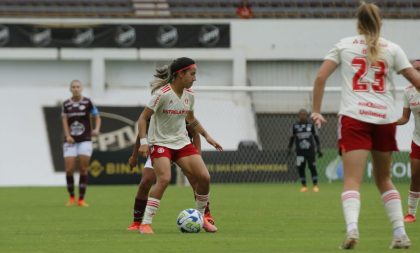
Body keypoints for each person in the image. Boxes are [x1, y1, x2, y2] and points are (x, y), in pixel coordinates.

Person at [312, 2, 420, 249]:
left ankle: (352, 230)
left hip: (355, 118)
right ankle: (400, 233)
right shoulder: (392, 48)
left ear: (358, 23)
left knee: (352, 180)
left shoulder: (345, 45)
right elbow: (415, 79)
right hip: (384, 119)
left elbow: (320, 77)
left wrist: (316, 111)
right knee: (385, 179)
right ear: (380, 23)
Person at [137, 57, 223, 234]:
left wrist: (207, 136)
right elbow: (143, 118)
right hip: (160, 143)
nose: (195, 78)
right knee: (165, 179)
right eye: (192, 74)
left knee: (204, 177)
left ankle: (200, 218)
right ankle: (145, 223)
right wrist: (144, 142)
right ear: (180, 74)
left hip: (181, 142)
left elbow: (191, 120)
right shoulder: (161, 94)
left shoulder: (189, 95)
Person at [126, 125, 216, 231]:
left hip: (181, 148)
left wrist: (197, 156)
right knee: (146, 181)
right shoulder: (155, 111)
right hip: (161, 147)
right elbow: (141, 132)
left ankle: (205, 215)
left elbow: (195, 134)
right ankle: (138, 221)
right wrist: (134, 156)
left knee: (196, 179)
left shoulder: (182, 111)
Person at [61, 80, 101, 207]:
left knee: (83, 169)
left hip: (85, 139)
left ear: (82, 88)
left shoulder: (88, 102)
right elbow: (64, 120)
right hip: (70, 141)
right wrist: (67, 135)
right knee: (69, 169)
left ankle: (81, 199)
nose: (76, 89)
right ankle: (72, 197)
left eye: (78, 86)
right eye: (73, 87)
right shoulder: (66, 104)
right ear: (70, 89)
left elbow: (97, 116)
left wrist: (96, 129)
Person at [396, 60, 420, 223]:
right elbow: (405, 118)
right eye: (413, 69)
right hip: (418, 140)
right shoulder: (408, 92)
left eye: (418, 69)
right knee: (416, 176)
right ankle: (411, 213)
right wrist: (388, 122)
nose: (415, 72)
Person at [288, 109, 322, 193]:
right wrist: (289, 148)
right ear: (298, 116)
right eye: (301, 114)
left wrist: (319, 148)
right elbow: (292, 138)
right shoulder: (295, 126)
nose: (303, 116)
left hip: (310, 151)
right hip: (299, 152)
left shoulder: (311, 125)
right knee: (301, 168)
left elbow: (316, 137)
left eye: (304, 114)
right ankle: (304, 186)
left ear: (307, 116)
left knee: (312, 167)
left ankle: (315, 185)